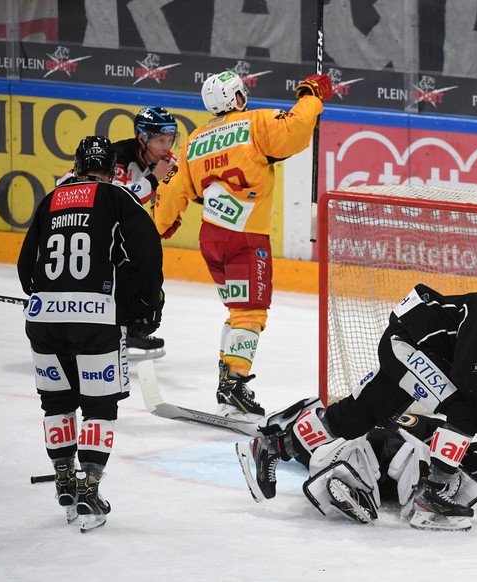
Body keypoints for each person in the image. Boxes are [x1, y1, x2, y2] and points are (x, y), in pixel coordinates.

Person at [239, 260, 477, 531]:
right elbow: (466, 376)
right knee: (465, 409)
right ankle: (432, 493)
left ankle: (276, 445)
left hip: (414, 350)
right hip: (408, 345)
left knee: (358, 417)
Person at [152, 70, 333, 417]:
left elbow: (171, 191)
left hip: (212, 238)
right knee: (250, 313)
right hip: (246, 237)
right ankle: (235, 384)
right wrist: (311, 97)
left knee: (237, 312)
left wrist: (158, 228)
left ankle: (226, 382)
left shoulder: (194, 142)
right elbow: (294, 134)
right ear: (235, 98)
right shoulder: (254, 123)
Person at [17, 136, 164, 532]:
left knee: (56, 404)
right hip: (96, 321)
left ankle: (64, 479)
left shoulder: (52, 199)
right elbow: (146, 252)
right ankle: (89, 490)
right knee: (99, 409)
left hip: (44, 321)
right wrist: (145, 307)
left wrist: (46, 298)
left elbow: (25, 266)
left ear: (78, 164)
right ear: (113, 167)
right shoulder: (117, 198)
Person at [293, 413, 477, 525]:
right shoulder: (357, 423)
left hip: (398, 474)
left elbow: (472, 457)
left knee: (416, 454)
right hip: (369, 467)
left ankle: (360, 494)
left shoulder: (415, 424)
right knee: (336, 454)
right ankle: (355, 493)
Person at [114, 107, 178, 354]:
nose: (166, 145)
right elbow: (116, 201)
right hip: (103, 234)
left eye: (170, 139)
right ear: (142, 138)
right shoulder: (116, 156)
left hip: (131, 239)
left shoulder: (170, 162)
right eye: (160, 140)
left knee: (151, 290)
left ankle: (133, 331)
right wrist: (153, 180)